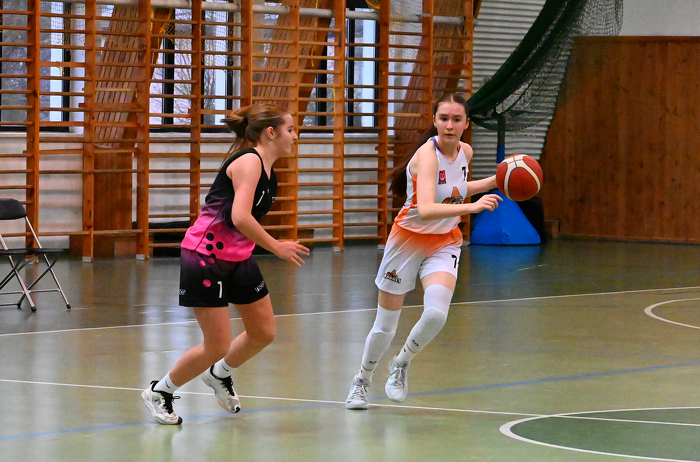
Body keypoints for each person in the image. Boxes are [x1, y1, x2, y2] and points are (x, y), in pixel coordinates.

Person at [142, 104, 310, 425]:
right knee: (217, 344)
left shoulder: (269, 170)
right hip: (205, 257)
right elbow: (240, 216)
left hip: (238, 256)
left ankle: (219, 374)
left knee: (263, 331)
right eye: (290, 129)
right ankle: (160, 391)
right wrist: (276, 246)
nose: (295, 136)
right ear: (270, 133)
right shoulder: (249, 162)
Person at [345, 93, 502, 410]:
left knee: (435, 314)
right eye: (444, 118)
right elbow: (428, 208)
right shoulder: (427, 156)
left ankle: (401, 363)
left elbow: (455, 190)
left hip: (444, 241)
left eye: (457, 119)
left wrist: (495, 181)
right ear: (435, 121)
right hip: (407, 240)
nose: (450, 125)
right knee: (385, 326)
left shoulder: (465, 152)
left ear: (466, 124)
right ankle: (362, 380)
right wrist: (474, 207)